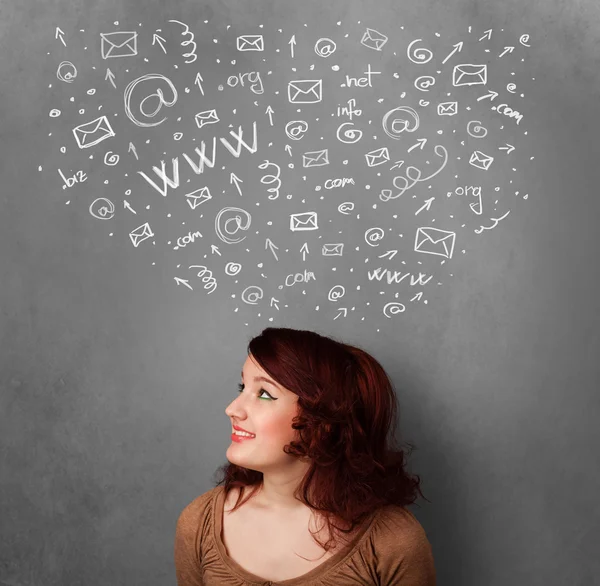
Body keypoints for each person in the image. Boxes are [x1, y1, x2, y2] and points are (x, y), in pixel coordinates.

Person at [175, 327, 436, 585]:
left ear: (323, 419)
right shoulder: (199, 522)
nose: (232, 409)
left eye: (264, 394)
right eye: (242, 387)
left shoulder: (393, 541)